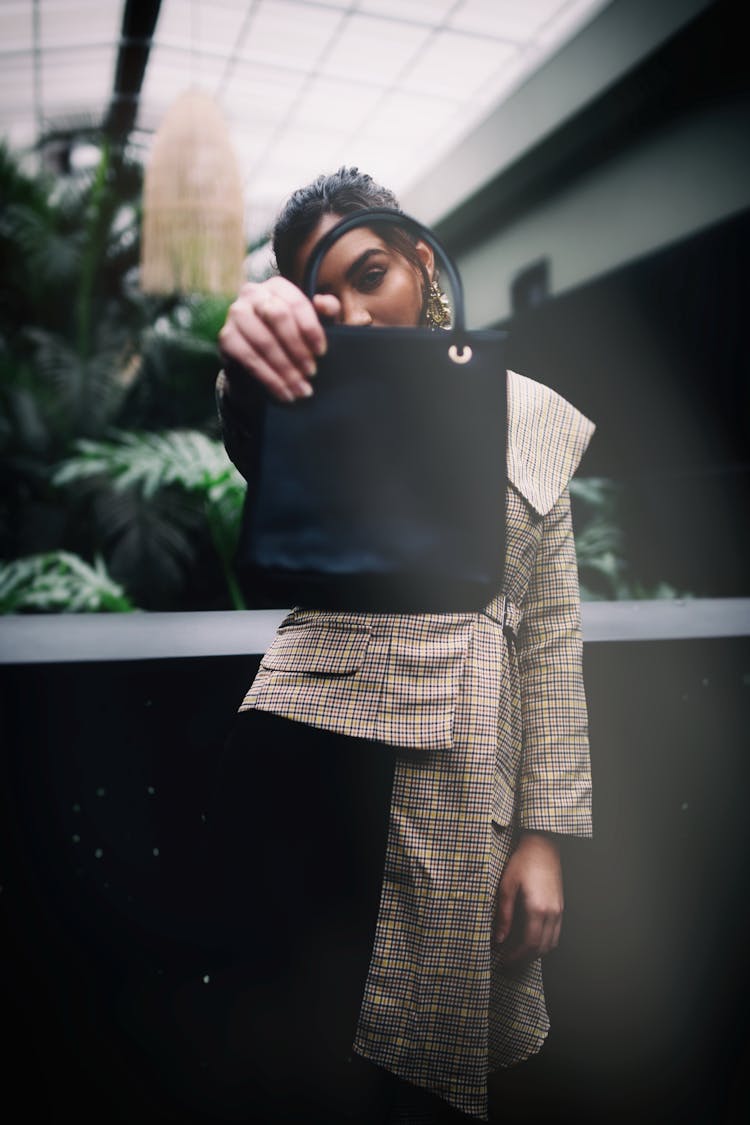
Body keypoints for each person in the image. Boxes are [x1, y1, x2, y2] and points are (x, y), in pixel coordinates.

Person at [212, 167, 594, 1124]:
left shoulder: (532, 415)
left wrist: (542, 837)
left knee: (433, 1063)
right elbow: (251, 424)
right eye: (322, 298)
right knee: (307, 1062)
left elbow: (549, 635)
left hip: (466, 773)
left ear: (424, 264)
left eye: (371, 271)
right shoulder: (312, 396)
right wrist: (254, 340)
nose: (354, 311)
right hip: (316, 758)